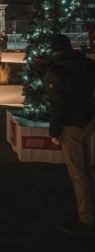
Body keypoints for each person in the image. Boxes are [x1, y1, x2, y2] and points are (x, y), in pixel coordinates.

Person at [44, 33, 95, 236]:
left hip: (71, 127)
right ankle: (90, 212)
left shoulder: (55, 72)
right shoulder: (86, 63)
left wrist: (55, 133)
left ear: (54, 50)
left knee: (78, 174)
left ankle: (87, 219)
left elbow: (58, 108)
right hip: (88, 122)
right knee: (87, 169)